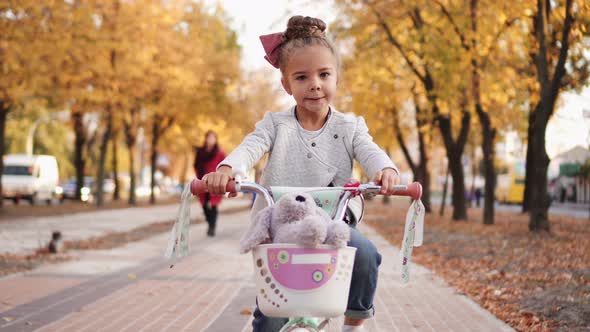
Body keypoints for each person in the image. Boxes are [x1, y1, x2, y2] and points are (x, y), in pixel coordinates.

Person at [202, 16, 400, 332]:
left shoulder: (349, 127)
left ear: (337, 78)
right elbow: (251, 147)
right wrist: (227, 169)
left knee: (365, 254)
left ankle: (354, 321)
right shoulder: (275, 125)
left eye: (324, 74)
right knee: (272, 309)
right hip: (282, 228)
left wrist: (385, 170)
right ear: (286, 84)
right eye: (302, 77)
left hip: (334, 224)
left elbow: (370, 150)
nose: (315, 84)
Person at [194, 130, 226, 237]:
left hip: (215, 182)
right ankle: (209, 222)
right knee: (204, 205)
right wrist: (199, 177)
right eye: (209, 137)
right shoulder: (200, 152)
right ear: (206, 139)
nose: (210, 139)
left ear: (215, 139)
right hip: (203, 181)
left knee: (213, 205)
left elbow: (225, 166)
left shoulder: (219, 152)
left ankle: (212, 227)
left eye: (213, 137)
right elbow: (196, 165)